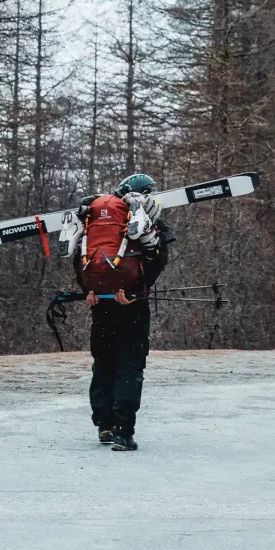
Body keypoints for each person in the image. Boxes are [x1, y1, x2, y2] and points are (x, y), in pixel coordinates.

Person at [72, 173, 172, 452]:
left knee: (104, 363)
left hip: (100, 305)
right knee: (130, 366)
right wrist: (135, 290)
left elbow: (79, 259)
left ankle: (104, 424)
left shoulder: (95, 223)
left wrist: (88, 289)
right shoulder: (148, 222)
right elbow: (157, 261)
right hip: (132, 307)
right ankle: (122, 432)